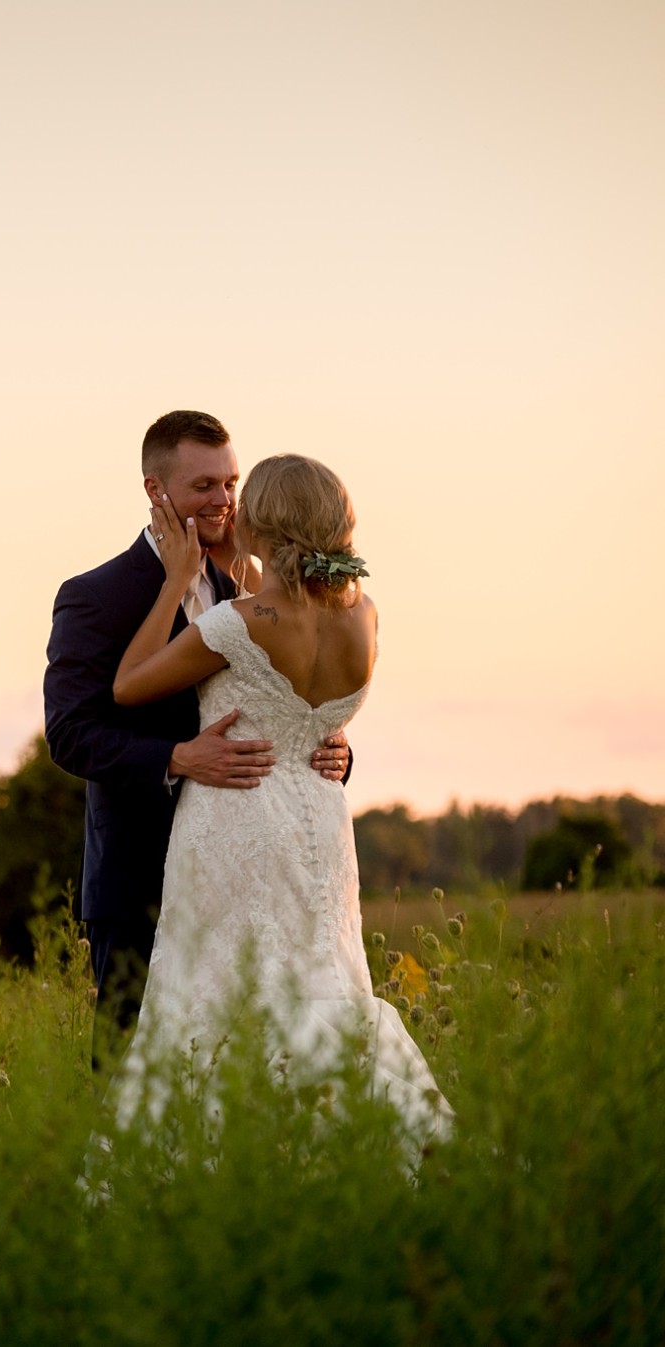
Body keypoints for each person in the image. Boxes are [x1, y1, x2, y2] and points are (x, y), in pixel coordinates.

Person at [107, 452, 451, 1144]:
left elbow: (129, 685)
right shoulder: (365, 617)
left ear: (264, 523)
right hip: (322, 824)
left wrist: (176, 581)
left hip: (235, 818)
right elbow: (316, 717)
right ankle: (330, 1145)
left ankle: (225, 1153)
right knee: (321, 982)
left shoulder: (240, 621)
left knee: (220, 989)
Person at [44, 412, 350, 1071]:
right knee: (132, 1072)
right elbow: (70, 734)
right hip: (140, 876)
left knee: (250, 1063)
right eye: (204, 485)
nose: (224, 500)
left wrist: (335, 750)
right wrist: (177, 757)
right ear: (155, 490)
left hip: (251, 874)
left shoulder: (254, 590)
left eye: (231, 483)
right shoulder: (94, 596)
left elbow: (290, 703)